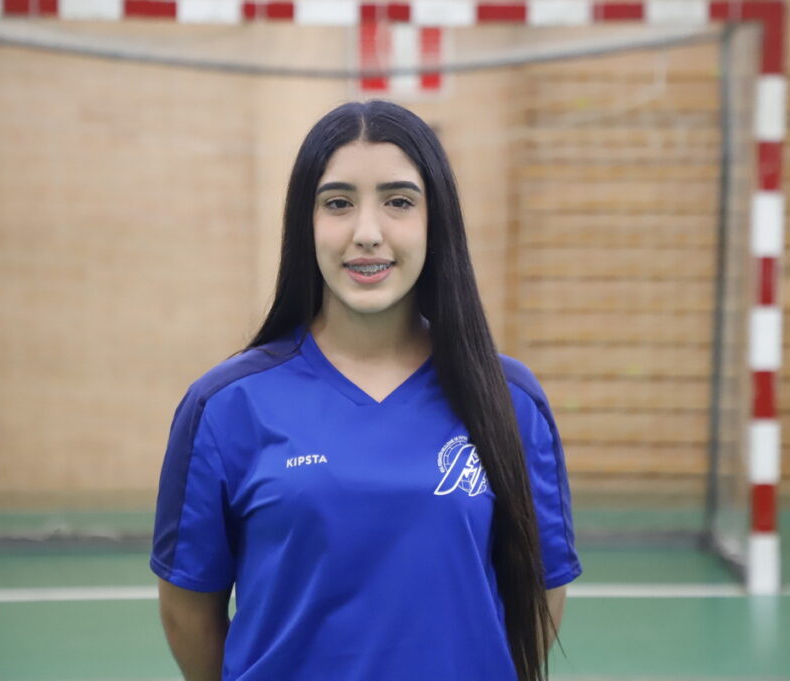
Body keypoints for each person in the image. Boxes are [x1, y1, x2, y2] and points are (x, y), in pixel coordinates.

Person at [150, 100, 581, 681]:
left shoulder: (511, 401)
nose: (368, 233)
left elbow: (537, 596)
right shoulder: (224, 407)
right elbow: (187, 613)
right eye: (338, 203)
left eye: (399, 201)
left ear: (436, 221)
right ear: (305, 224)